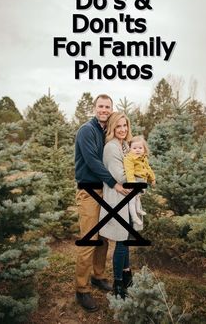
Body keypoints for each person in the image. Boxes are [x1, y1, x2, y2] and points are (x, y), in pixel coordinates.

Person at [75, 95, 129, 312]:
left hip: (105, 191)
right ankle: (82, 289)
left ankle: (98, 276)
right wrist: (114, 182)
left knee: (103, 239)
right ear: (94, 108)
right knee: (89, 240)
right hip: (90, 191)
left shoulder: (106, 131)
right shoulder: (87, 130)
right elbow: (92, 161)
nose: (104, 110)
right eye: (101, 106)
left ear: (111, 109)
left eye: (107, 107)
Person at [99, 112, 135, 299]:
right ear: (112, 128)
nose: (122, 129)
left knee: (126, 238)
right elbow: (120, 177)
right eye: (118, 126)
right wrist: (139, 175)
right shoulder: (111, 148)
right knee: (121, 241)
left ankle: (127, 274)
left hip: (126, 199)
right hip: (116, 199)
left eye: (125, 125)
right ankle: (118, 284)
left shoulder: (125, 146)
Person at [124, 135, 156, 226]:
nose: (137, 150)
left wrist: (152, 178)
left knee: (138, 197)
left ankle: (138, 209)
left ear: (144, 149)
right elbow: (129, 171)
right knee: (132, 200)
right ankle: (134, 217)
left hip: (143, 180)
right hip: (135, 180)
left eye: (140, 148)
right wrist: (132, 183)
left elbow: (148, 168)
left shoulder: (143, 157)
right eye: (134, 148)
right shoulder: (129, 158)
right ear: (130, 148)